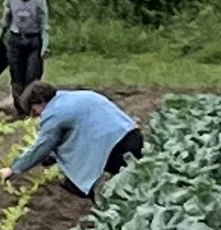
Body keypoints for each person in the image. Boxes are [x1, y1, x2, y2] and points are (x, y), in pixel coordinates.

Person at [11, 80, 144, 200]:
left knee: (117, 195)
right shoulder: (80, 95)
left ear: (41, 102)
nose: (38, 116)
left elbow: (42, 147)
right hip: (132, 135)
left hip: (114, 151)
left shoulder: (54, 113)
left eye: (34, 111)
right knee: (141, 184)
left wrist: (14, 168)